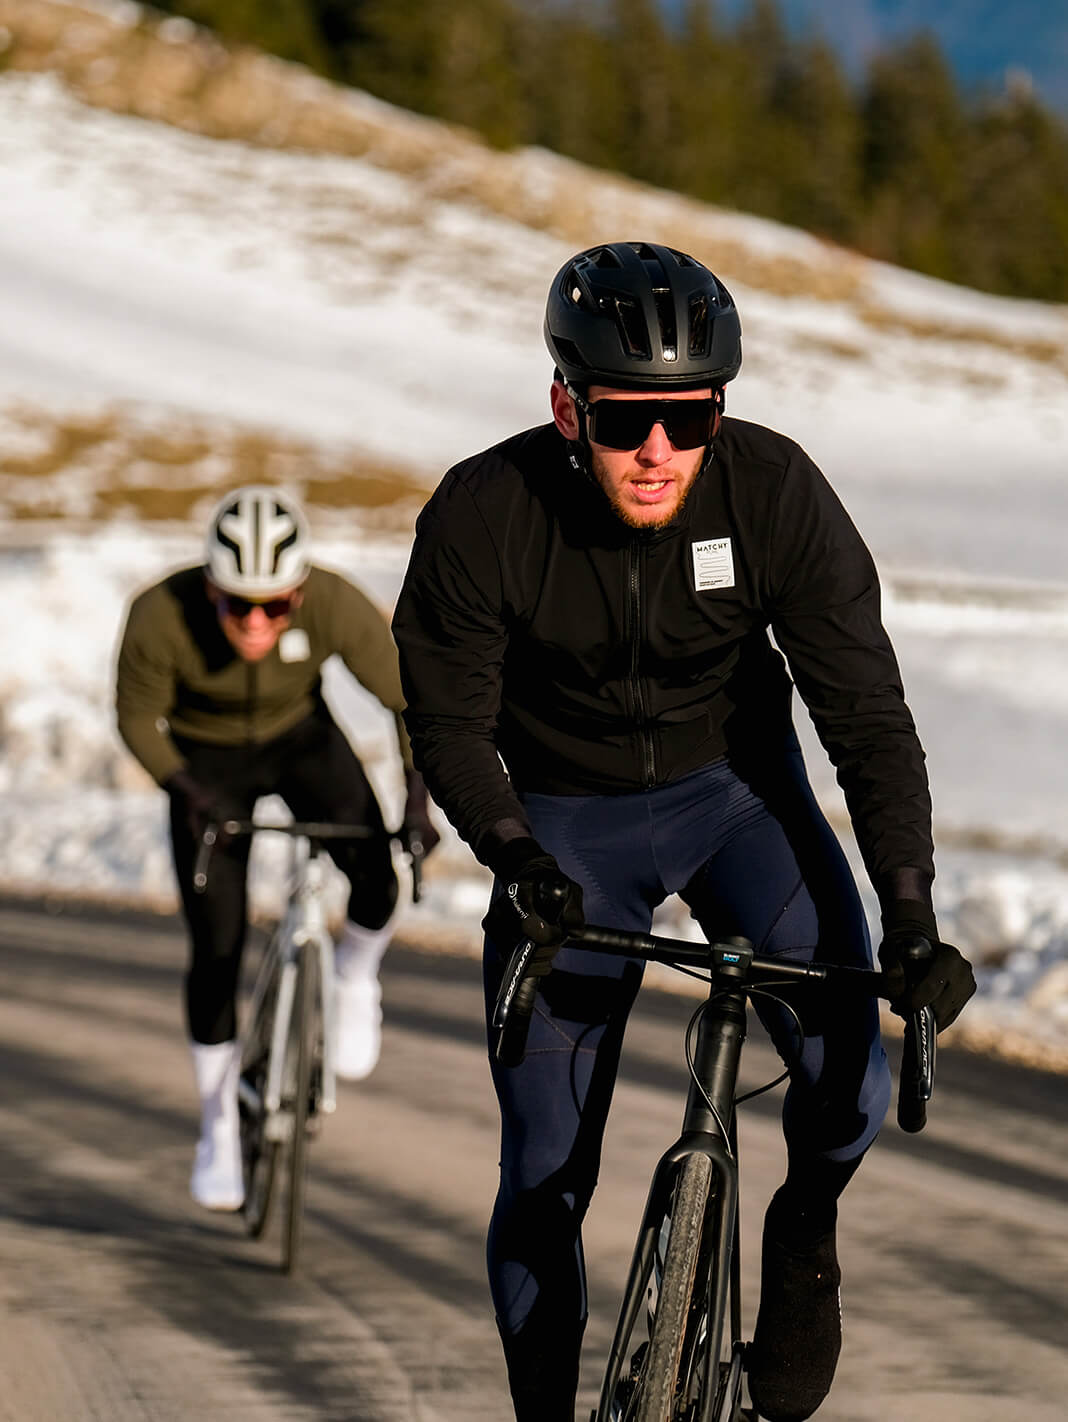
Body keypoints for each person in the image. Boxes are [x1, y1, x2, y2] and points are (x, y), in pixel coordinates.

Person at [391, 242, 975, 1421]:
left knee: (849, 1065)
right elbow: (447, 724)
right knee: (545, 1170)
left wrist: (910, 913)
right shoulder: (485, 513)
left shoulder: (773, 491)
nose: (658, 451)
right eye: (622, 421)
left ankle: (800, 1230)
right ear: (567, 405)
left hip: (734, 801)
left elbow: (863, 712)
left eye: (689, 418)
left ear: (719, 410)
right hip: (560, 827)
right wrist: (514, 856)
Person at [116, 484, 438, 1212]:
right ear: (210, 590)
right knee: (217, 946)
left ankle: (355, 976)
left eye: (276, 606)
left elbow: (407, 700)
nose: (256, 623)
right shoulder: (159, 615)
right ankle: (218, 1124)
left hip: (300, 740)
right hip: (207, 766)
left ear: (300, 592)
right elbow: (136, 717)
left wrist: (416, 800)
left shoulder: (332, 602)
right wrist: (186, 790)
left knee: (378, 872)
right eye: (237, 605)